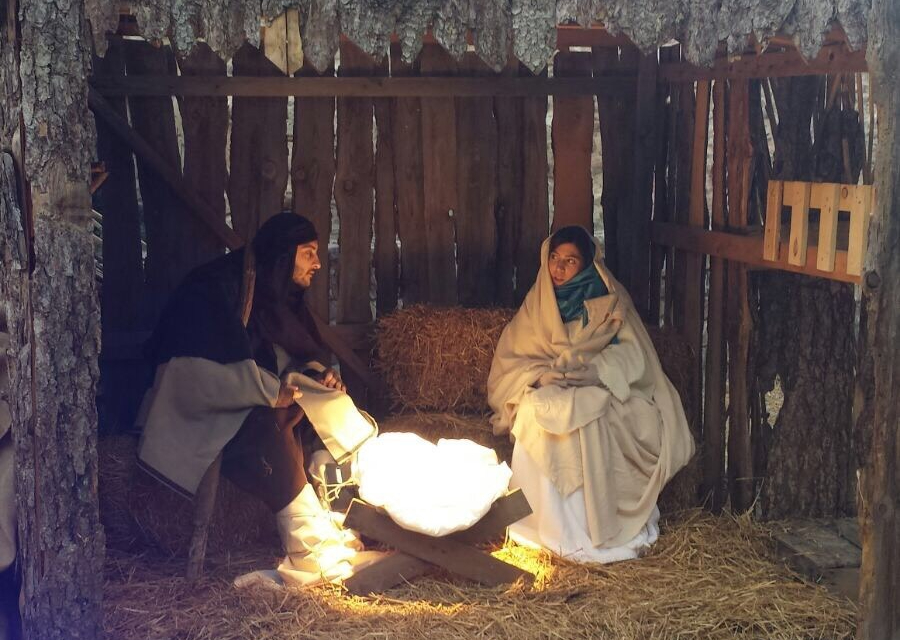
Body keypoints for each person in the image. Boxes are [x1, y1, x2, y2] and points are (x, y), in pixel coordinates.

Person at [136, 211, 377, 587]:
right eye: (309, 252)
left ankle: (328, 515)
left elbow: (287, 353)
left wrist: (319, 375)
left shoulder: (276, 293)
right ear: (284, 254)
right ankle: (307, 543)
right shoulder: (213, 289)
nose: (317, 262)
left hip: (254, 398)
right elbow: (197, 373)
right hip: (205, 407)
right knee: (268, 427)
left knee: (319, 407)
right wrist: (269, 392)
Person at [487, 225, 694, 563]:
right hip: (551, 388)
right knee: (532, 414)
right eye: (554, 258)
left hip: (604, 390)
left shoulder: (608, 300)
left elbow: (634, 356)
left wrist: (596, 371)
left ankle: (590, 528)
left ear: (586, 265)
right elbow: (511, 361)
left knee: (585, 415)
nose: (558, 268)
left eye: (570, 261)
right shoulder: (537, 302)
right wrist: (541, 376)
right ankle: (543, 525)